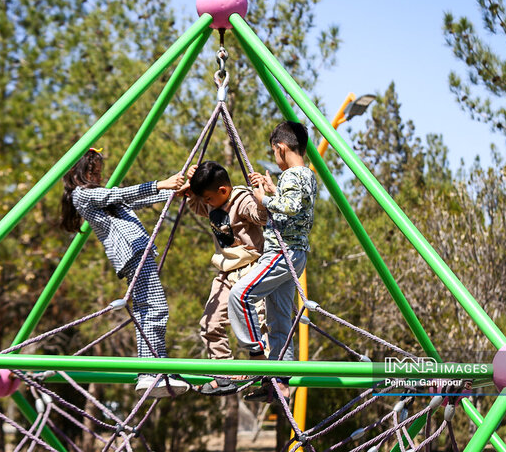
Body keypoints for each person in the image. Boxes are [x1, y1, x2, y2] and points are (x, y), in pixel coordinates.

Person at [60, 147, 190, 398]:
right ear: (78, 173)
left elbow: (131, 200)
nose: (98, 178)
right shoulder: (82, 195)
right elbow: (119, 194)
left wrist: (170, 193)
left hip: (137, 251)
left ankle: (153, 370)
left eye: (99, 173)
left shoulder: (100, 196)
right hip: (132, 253)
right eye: (93, 173)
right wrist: (160, 184)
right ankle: (153, 370)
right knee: (155, 309)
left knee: (147, 310)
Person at [227, 121, 317, 402]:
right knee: (279, 319)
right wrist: (272, 190)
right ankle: (280, 383)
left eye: (274, 152)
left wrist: (264, 198)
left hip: (281, 253)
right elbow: (295, 206)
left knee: (239, 295)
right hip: (295, 254)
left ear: (280, 148)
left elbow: (289, 208)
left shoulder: (292, 175)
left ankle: (256, 356)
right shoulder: (308, 175)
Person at [183, 161, 268, 396]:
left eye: (208, 198)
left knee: (257, 325)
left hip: (250, 267)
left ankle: (265, 376)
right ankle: (224, 374)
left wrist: (262, 196)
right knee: (209, 324)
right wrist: (191, 187)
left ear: (222, 191)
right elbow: (197, 205)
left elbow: (261, 216)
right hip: (227, 271)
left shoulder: (241, 199)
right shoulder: (212, 202)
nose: (206, 204)